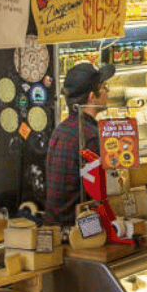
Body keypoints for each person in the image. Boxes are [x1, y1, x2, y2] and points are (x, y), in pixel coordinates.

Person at [44, 61, 114, 227]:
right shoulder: (91, 136)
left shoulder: (59, 130)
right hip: (81, 229)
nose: (107, 91)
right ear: (91, 97)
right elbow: (100, 193)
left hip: (55, 228)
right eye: (104, 87)